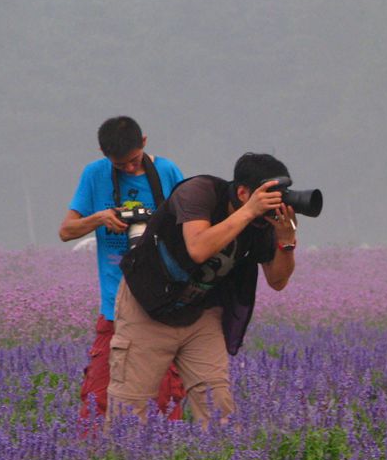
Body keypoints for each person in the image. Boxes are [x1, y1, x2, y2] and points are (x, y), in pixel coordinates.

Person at [106, 152, 298, 427]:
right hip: (147, 306)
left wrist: (286, 241)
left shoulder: (260, 223)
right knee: (129, 409)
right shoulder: (199, 192)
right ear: (243, 192)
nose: (273, 202)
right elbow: (197, 249)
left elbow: (278, 281)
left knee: (218, 408)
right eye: (267, 194)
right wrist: (248, 212)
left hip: (200, 314)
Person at [59, 116, 187, 421]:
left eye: (134, 161)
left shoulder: (168, 172)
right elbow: (66, 231)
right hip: (115, 308)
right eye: (120, 165)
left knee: (165, 400)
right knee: (97, 397)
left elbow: (193, 228)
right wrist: (100, 218)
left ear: (144, 142)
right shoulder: (94, 174)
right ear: (105, 156)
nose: (130, 169)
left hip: (162, 306)